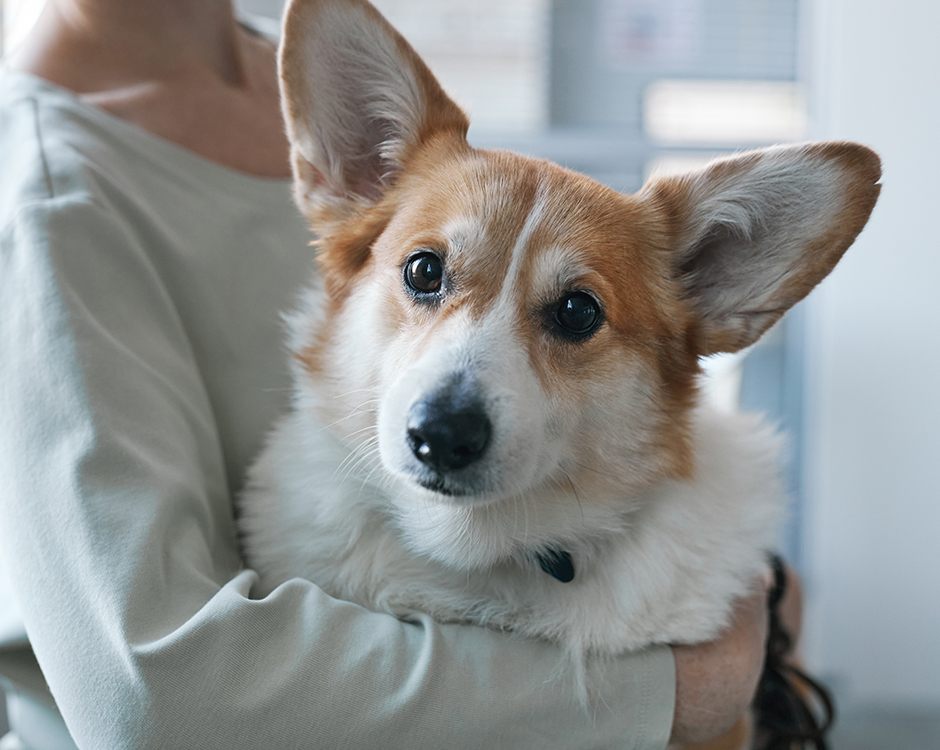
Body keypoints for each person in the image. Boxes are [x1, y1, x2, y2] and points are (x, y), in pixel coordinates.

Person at [0, 1, 772, 747]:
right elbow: (150, 694)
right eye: (428, 273)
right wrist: (669, 694)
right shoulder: (47, 200)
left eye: (573, 314)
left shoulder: (325, 74)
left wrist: (729, 576)